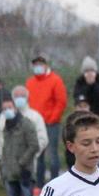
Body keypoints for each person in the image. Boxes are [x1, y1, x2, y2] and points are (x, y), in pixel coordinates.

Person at [0, 85, 49, 196]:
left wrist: (28, 158)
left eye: (21, 95)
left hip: (26, 167)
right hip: (9, 168)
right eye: (15, 95)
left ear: (27, 96)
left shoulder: (34, 117)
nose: (19, 98)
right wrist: (1, 156)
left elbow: (40, 140)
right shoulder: (3, 118)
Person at [0, 96, 40, 196]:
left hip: (24, 172)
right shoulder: (6, 126)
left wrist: (22, 163)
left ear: (15, 107)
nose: (7, 111)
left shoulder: (26, 124)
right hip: (9, 173)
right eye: (4, 109)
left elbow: (34, 145)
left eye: (9, 107)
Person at [26, 54, 68, 188]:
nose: (38, 67)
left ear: (46, 65)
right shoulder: (30, 82)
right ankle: (39, 185)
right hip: (35, 124)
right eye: (35, 64)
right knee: (38, 155)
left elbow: (61, 101)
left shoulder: (56, 80)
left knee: (53, 154)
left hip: (51, 124)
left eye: (40, 64)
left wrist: (52, 118)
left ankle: (55, 183)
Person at [73, 56, 99, 170]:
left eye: (92, 71)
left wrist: (93, 84)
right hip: (83, 125)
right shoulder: (79, 83)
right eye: (87, 71)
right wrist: (88, 86)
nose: (89, 74)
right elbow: (78, 98)